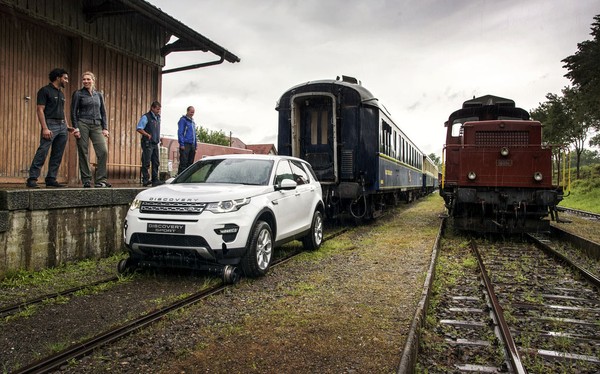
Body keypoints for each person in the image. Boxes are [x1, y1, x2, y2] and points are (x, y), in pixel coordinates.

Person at [26, 68, 74, 188]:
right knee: (43, 151)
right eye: (65, 78)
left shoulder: (61, 93)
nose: (67, 81)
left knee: (57, 153)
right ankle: (32, 178)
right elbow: (40, 110)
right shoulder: (44, 90)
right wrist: (45, 128)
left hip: (62, 126)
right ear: (58, 78)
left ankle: (51, 179)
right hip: (50, 125)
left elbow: (62, 111)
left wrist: (67, 125)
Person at [71, 71, 111, 188]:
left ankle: (101, 180)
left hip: (97, 125)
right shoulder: (78, 94)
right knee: (83, 151)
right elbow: (73, 112)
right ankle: (86, 179)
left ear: (93, 80)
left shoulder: (99, 95)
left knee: (103, 151)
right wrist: (76, 128)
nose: (86, 81)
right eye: (84, 79)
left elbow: (103, 112)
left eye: (88, 79)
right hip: (82, 123)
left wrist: (105, 128)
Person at [136, 101, 164, 187]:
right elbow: (139, 128)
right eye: (157, 109)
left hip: (155, 142)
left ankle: (155, 179)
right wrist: (147, 134)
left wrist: (159, 138)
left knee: (156, 162)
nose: (158, 111)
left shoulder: (158, 118)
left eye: (159, 109)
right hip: (147, 143)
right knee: (146, 161)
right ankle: (145, 179)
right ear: (152, 108)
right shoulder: (146, 117)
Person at [177, 106, 197, 175]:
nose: (192, 113)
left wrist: (195, 145)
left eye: (193, 112)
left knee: (190, 163)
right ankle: (180, 177)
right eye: (191, 112)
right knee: (183, 162)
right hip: (186, 144)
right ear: (187, 111)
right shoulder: (183, 120)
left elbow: (194, 134)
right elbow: (180, 132)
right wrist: (181, 144)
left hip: (192, 145)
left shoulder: (192, 122)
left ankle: (188, 178)